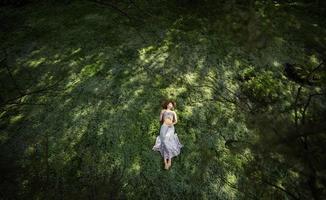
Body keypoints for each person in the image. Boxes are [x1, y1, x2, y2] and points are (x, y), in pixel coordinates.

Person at [152, 99, 183, 170]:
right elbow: (160, 120)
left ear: (172, 105)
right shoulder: (163, 111)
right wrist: (161, 114)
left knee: (166, 141)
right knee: (164, 142)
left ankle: (167, 162)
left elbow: (176, 121)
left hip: (171, 127)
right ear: (166, 105)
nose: (170, 105)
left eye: (171, 104)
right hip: (164, 126)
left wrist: (172, 123)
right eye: (169, 104)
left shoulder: (173, 112)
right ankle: (167, 162)